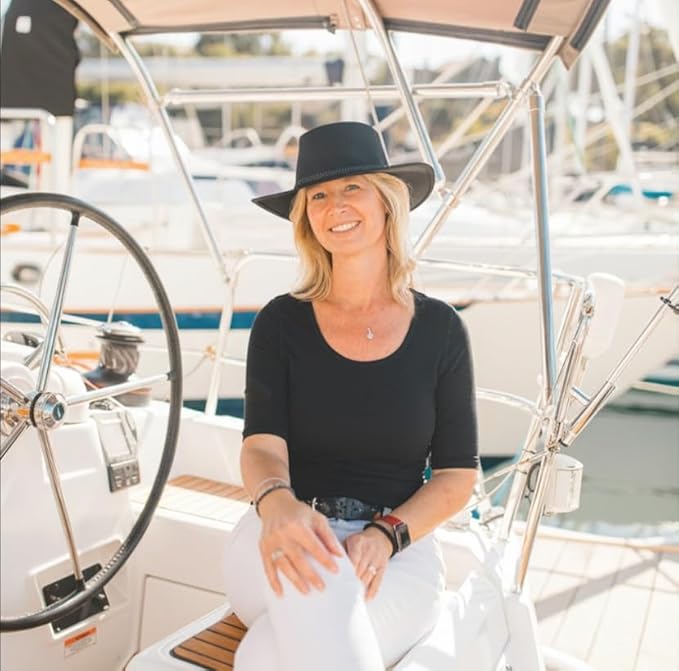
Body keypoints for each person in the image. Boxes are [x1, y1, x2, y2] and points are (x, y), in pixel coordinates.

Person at [223, 122, 478, 671]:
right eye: (318, 196)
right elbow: (261, 447)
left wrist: (385, 536)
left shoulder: (441, 329)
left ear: (387, 202)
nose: (334, 205)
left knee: (265, 656)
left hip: (399, 549)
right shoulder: (280, 323)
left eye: (351, 187)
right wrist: (278, 506)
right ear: (306, 218)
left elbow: (458, 477)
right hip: (283, 528)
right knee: (320, 620)